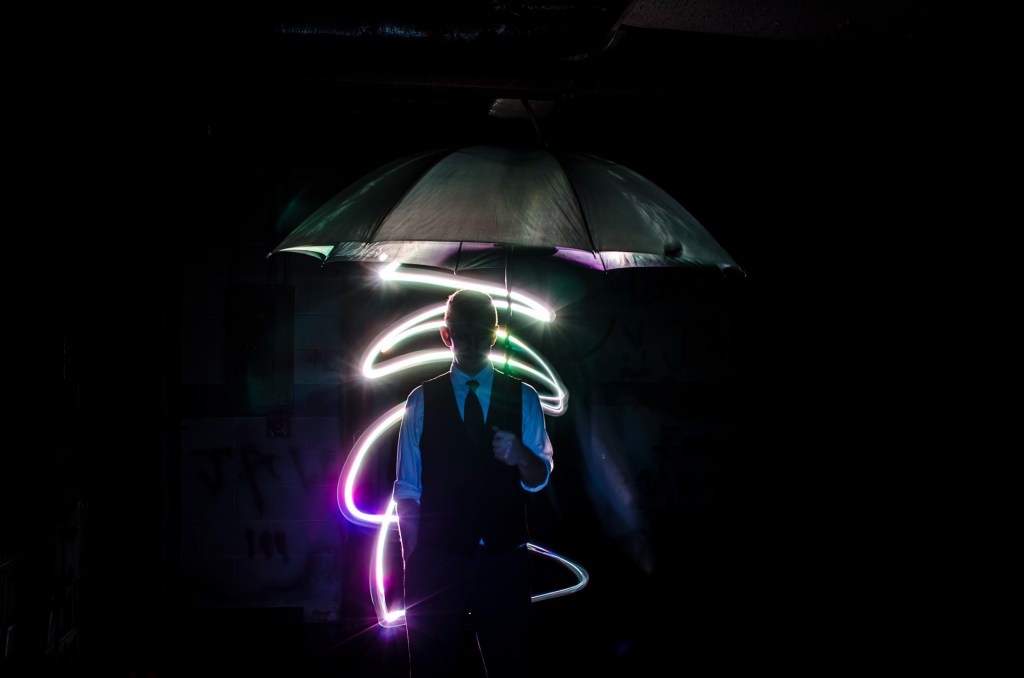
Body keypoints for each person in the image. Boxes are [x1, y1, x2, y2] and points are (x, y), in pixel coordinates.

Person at [393, 288, 554, 678]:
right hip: (437, 559)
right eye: (461, 335)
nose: (470, 344)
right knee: (431, 669)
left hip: (504, 558)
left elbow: (539, 480)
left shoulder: (523, 397)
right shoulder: (420, 401)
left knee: (509, 667)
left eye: (480, 335)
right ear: (446, 335)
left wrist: (522, 456)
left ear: (494, 335)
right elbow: (408, 488)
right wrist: (413, 558)